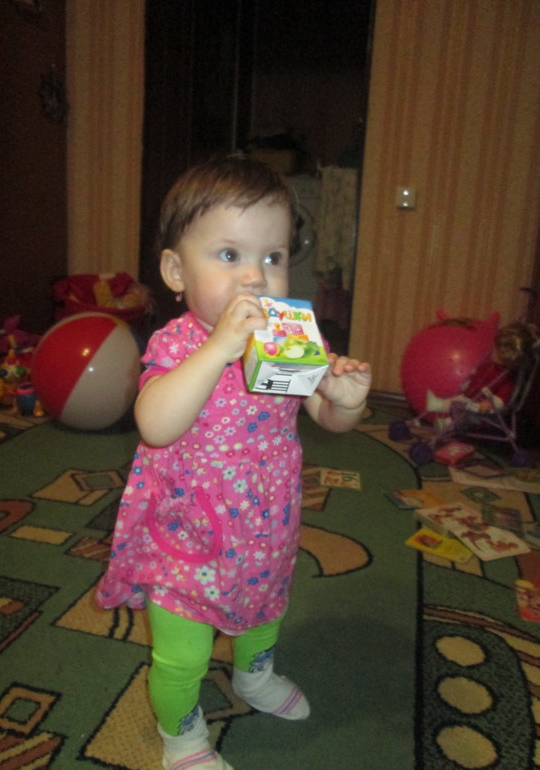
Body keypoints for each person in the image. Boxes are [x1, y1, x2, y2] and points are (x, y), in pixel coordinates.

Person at [96, 154, 372, 770]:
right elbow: (156, 424)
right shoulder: (177, 343)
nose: (255, 276)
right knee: (183, 654)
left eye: (272, 257)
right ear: (176, 271)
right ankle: (181, 737)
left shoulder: (290, 337)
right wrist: (219, 348)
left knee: (265, 607)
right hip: (187, 534)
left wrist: (346, 401)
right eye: (229, 255)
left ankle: (255, 675)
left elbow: (325, 417)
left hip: (266, 522)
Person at [426, 320, 538, 429]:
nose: (492, 350)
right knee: (457, 400)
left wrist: (489, 404)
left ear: (505, 355)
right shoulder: (491, 365)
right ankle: (437, 404)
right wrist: (472, 376)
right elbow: (481, 371)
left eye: (495, 349)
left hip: (479, 405)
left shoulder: (507, 379)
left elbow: (501, 398)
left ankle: (448, 424)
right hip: (471, 396)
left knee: (463, 410)